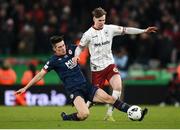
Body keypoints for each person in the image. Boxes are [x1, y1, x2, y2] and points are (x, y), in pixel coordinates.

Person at [15, 35, 148, 121]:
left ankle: (134, 112)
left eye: (63, 45)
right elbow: (40, 75)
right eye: (59, 47)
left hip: (86, 86)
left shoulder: (73, 50)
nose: (63, 48)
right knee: (84, 115)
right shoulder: (53, 61)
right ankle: (66, 118)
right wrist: (26, 87)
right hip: (75, 91)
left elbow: (87, 42)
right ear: (54, 49)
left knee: (110, 98)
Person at [74, 7, 158, 121]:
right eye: (99, 20)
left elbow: (127, 30)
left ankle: (109, 114)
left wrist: (143, 30)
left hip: (110, 65)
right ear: (94, 19)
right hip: (97, 70)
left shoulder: (110, 29)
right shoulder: (88, 34)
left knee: (118, 86)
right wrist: (76, 56)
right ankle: (81, 111)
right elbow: (80, 48)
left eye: (103, 20)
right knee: (93, 99)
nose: (102, 23)